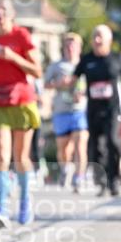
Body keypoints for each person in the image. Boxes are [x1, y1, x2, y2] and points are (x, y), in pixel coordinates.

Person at [0, 0, 42, 228]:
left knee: (20, 157)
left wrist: (13, 57)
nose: (0, 13)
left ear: (12, 14)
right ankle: (2, 207)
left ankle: (25, 202)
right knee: (1, 155)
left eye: (4, 10)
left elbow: (37, 71)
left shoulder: (21, 36)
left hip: (21, 99)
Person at [69, 25, 121, 197]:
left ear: (109, 40)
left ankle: (114, 179)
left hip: (113, 109)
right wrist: (76, 92)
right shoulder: (86, 60)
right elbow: (73, 80)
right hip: (93, 110)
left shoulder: (117, 58)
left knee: (113, 142)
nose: (97, 40)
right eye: (94, 36)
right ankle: (101, 182)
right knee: (96, 146)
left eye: (100, 36)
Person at [44, 32, 89, 192]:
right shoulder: (56, 66)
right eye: (68, 45)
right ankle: (66, 168)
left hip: (80, 110)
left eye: (74, 45)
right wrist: (59, 83)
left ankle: (79, 178)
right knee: (63, 148)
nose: (70, 48)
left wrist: (83, 93)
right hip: (61, 111)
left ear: (79, 48)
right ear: (63, 48)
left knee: (80, 144)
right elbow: (45, 84)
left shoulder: (85, 65)